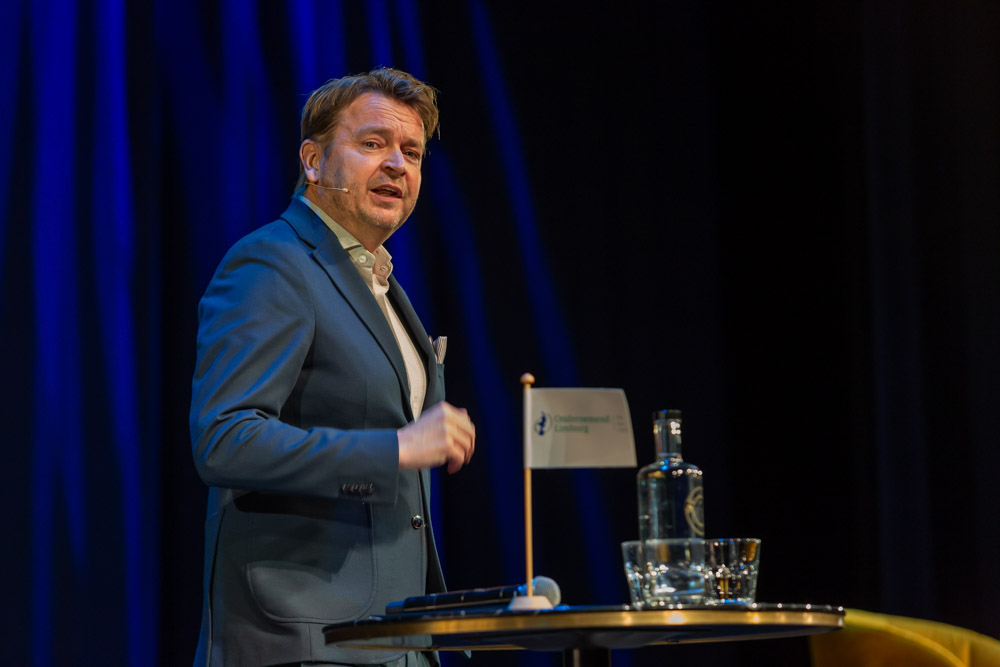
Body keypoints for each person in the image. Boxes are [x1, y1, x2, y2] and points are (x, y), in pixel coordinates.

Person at [190, 67, 476, 667]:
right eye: (373, 143)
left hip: (391, 637)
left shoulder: (379, 281)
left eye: (412, 152)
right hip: (305, 638)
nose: (396, 164)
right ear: (313, 161)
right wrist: (394, 449)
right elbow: (225, 439)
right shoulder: (272, 262)